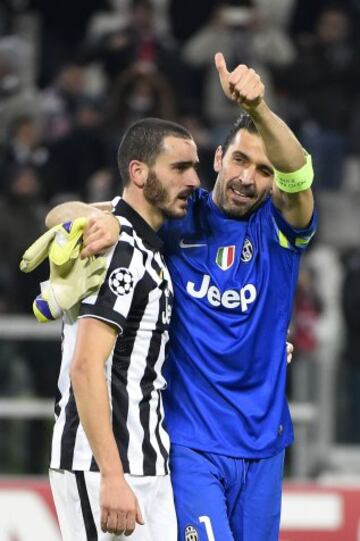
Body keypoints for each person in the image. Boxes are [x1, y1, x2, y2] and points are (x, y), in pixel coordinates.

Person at [45, 53, 316, 541]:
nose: (246, 178)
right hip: (189, 445)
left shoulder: (278, 231)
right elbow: (61, 214)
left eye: (263, 169)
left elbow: (300, 176)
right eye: (238, 159)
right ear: (217, 158)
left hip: (264, 445)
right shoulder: (177, 218)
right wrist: (90, 216)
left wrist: (258, 109)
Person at [29, 118, 200, 540]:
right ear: (139, 173)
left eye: (195, 166)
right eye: (179, 168)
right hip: (104, 468)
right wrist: (112, 475)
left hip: (146, 464)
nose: (194, 179)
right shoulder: (117, 250)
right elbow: (86, 366)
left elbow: (62, 212)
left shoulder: (137, 240)